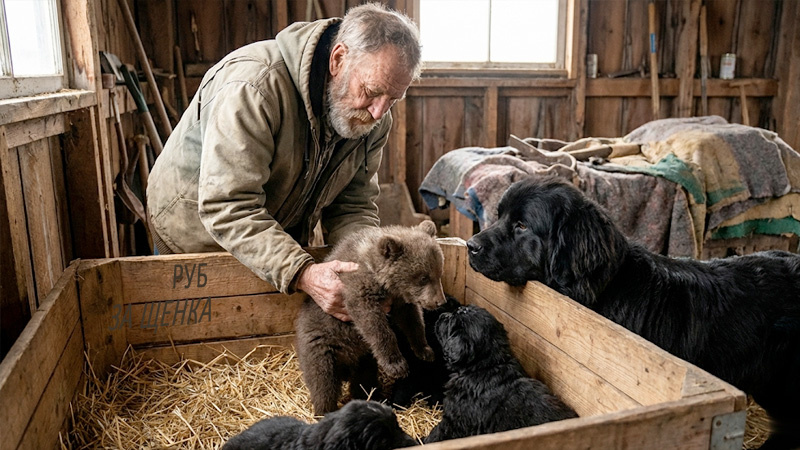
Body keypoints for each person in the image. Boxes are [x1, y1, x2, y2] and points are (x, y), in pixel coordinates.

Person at [145, 3, 422, 322]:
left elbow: (353, 204)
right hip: (193, 231)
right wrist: (301, 271)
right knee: (196, 343)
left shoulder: (373, 116)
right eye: (372, 92)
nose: (378, 112)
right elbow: (228, 205)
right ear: (338, 59)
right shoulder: (254, 86)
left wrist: (364, 270)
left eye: (393, 99)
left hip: (275, 229)